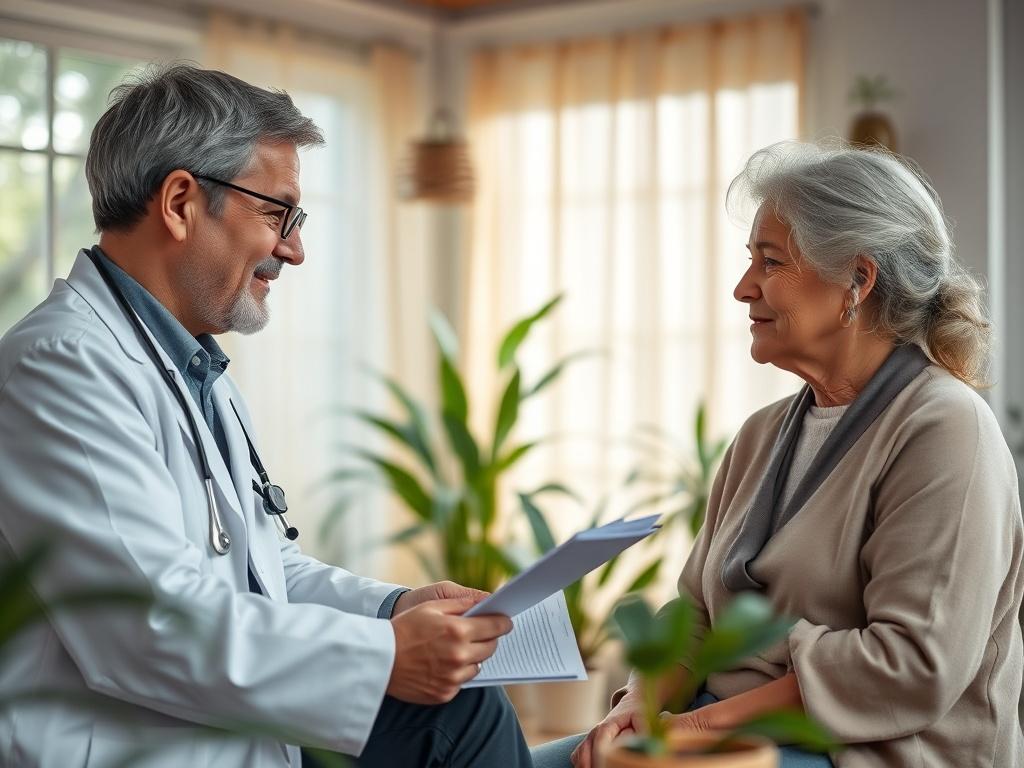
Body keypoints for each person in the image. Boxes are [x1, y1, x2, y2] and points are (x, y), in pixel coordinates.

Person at [0, 64, 532, 768]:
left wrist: (394, 609)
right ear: (182, 202)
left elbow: (258, 565)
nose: (295, 248)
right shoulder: (59, 365)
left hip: (222, 733)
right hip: (138, 749)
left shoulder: (189, 364)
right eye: (277, 213)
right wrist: (383, 657)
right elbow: (141, 621)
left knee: (463, 713)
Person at [533, 141, 1024, 768]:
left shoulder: (946, 430)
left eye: (771, 262)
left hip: (862, 752)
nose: (743, 288)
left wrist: (695, 728)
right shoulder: (762, 435)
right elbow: (696, 610)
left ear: (857, 279)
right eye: (751, 260)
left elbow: (911, 665)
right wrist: (636, 706)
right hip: (722, 728)